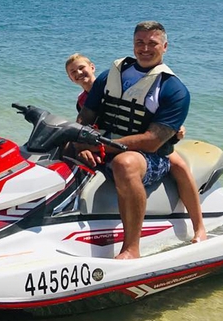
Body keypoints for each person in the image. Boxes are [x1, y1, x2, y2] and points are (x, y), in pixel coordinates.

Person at [75, 21, 204, 260]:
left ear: (165, 46)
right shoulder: (110, 75)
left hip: (150, 156)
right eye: (139, 43)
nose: (145, 48)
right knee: (59, 142)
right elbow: (86, 116)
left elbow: (152, 141)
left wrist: (100, 146)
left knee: (125, 164)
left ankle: (131, 248)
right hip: (105, 144)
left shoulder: (174, 90)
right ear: (133, 45)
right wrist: (81, 142)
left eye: (152, 43)